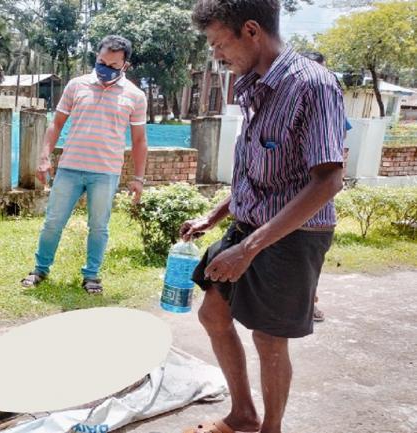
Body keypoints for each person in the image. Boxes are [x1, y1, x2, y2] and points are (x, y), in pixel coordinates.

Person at [180, 1, 346, 433]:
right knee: (213, 314)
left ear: (251, 30)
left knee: (269, 340)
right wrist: (215, 217)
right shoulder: (251, 84)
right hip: (248, 226)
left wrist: (249, 250)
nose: (217, 55)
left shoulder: (314, 86)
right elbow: (258, 169)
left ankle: (270, 429)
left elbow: (328, 181)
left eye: (220, 43)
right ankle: (243, 415)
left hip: (294, 234)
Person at [20, 35, 148, 294]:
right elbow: (56, 124)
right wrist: (44, 157)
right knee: (53, 222)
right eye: (101, 61)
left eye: (113, 65)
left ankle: (91, 276)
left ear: (125, 66)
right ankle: (40, 270)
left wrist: (138, 178)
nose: (105, 68)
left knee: (99, 226)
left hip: (106, 172)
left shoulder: (135, 96)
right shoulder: (76, 86)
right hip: (69, 168)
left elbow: (139, 140)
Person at [299, 50, 354, 323]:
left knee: (308, 262)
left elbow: (335, 160)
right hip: (289, 199)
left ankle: (309, 302)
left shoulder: (328, 99)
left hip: (315, 205)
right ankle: (306, 301)